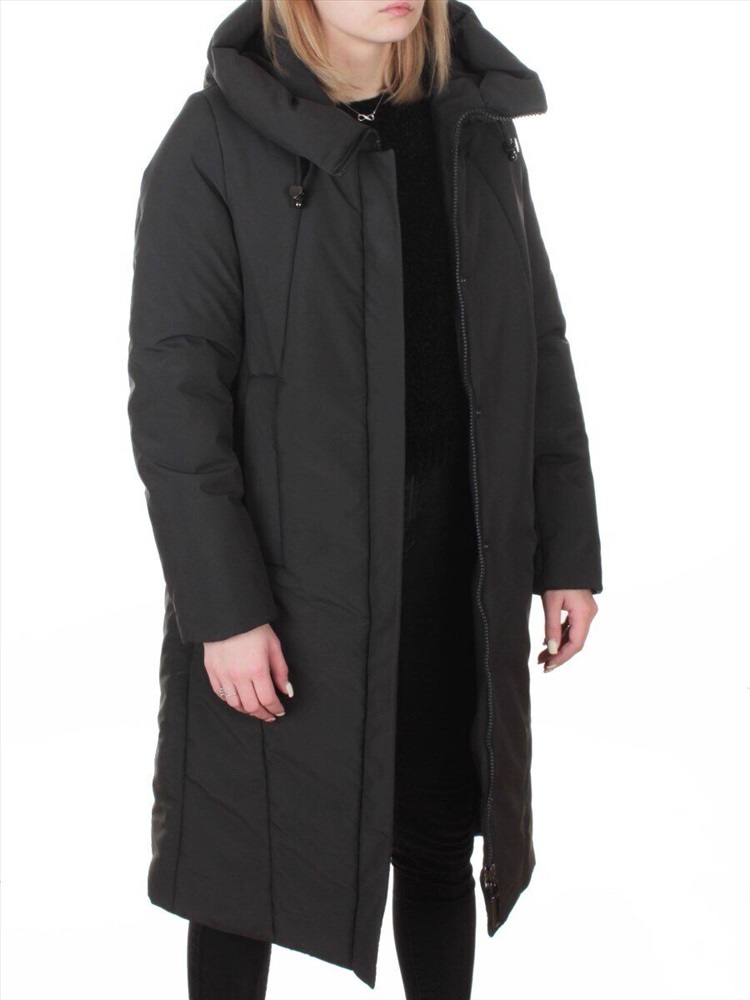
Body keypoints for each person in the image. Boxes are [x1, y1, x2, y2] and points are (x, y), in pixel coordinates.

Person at [127, 1, 603, 998]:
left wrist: (565, 547)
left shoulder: (470, 127)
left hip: (450, 566)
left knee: (436, 838)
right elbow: (177, 399)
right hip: (288, 582)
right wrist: (225, 609)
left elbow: (534, 342)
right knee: (243, 868)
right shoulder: (213, 142)